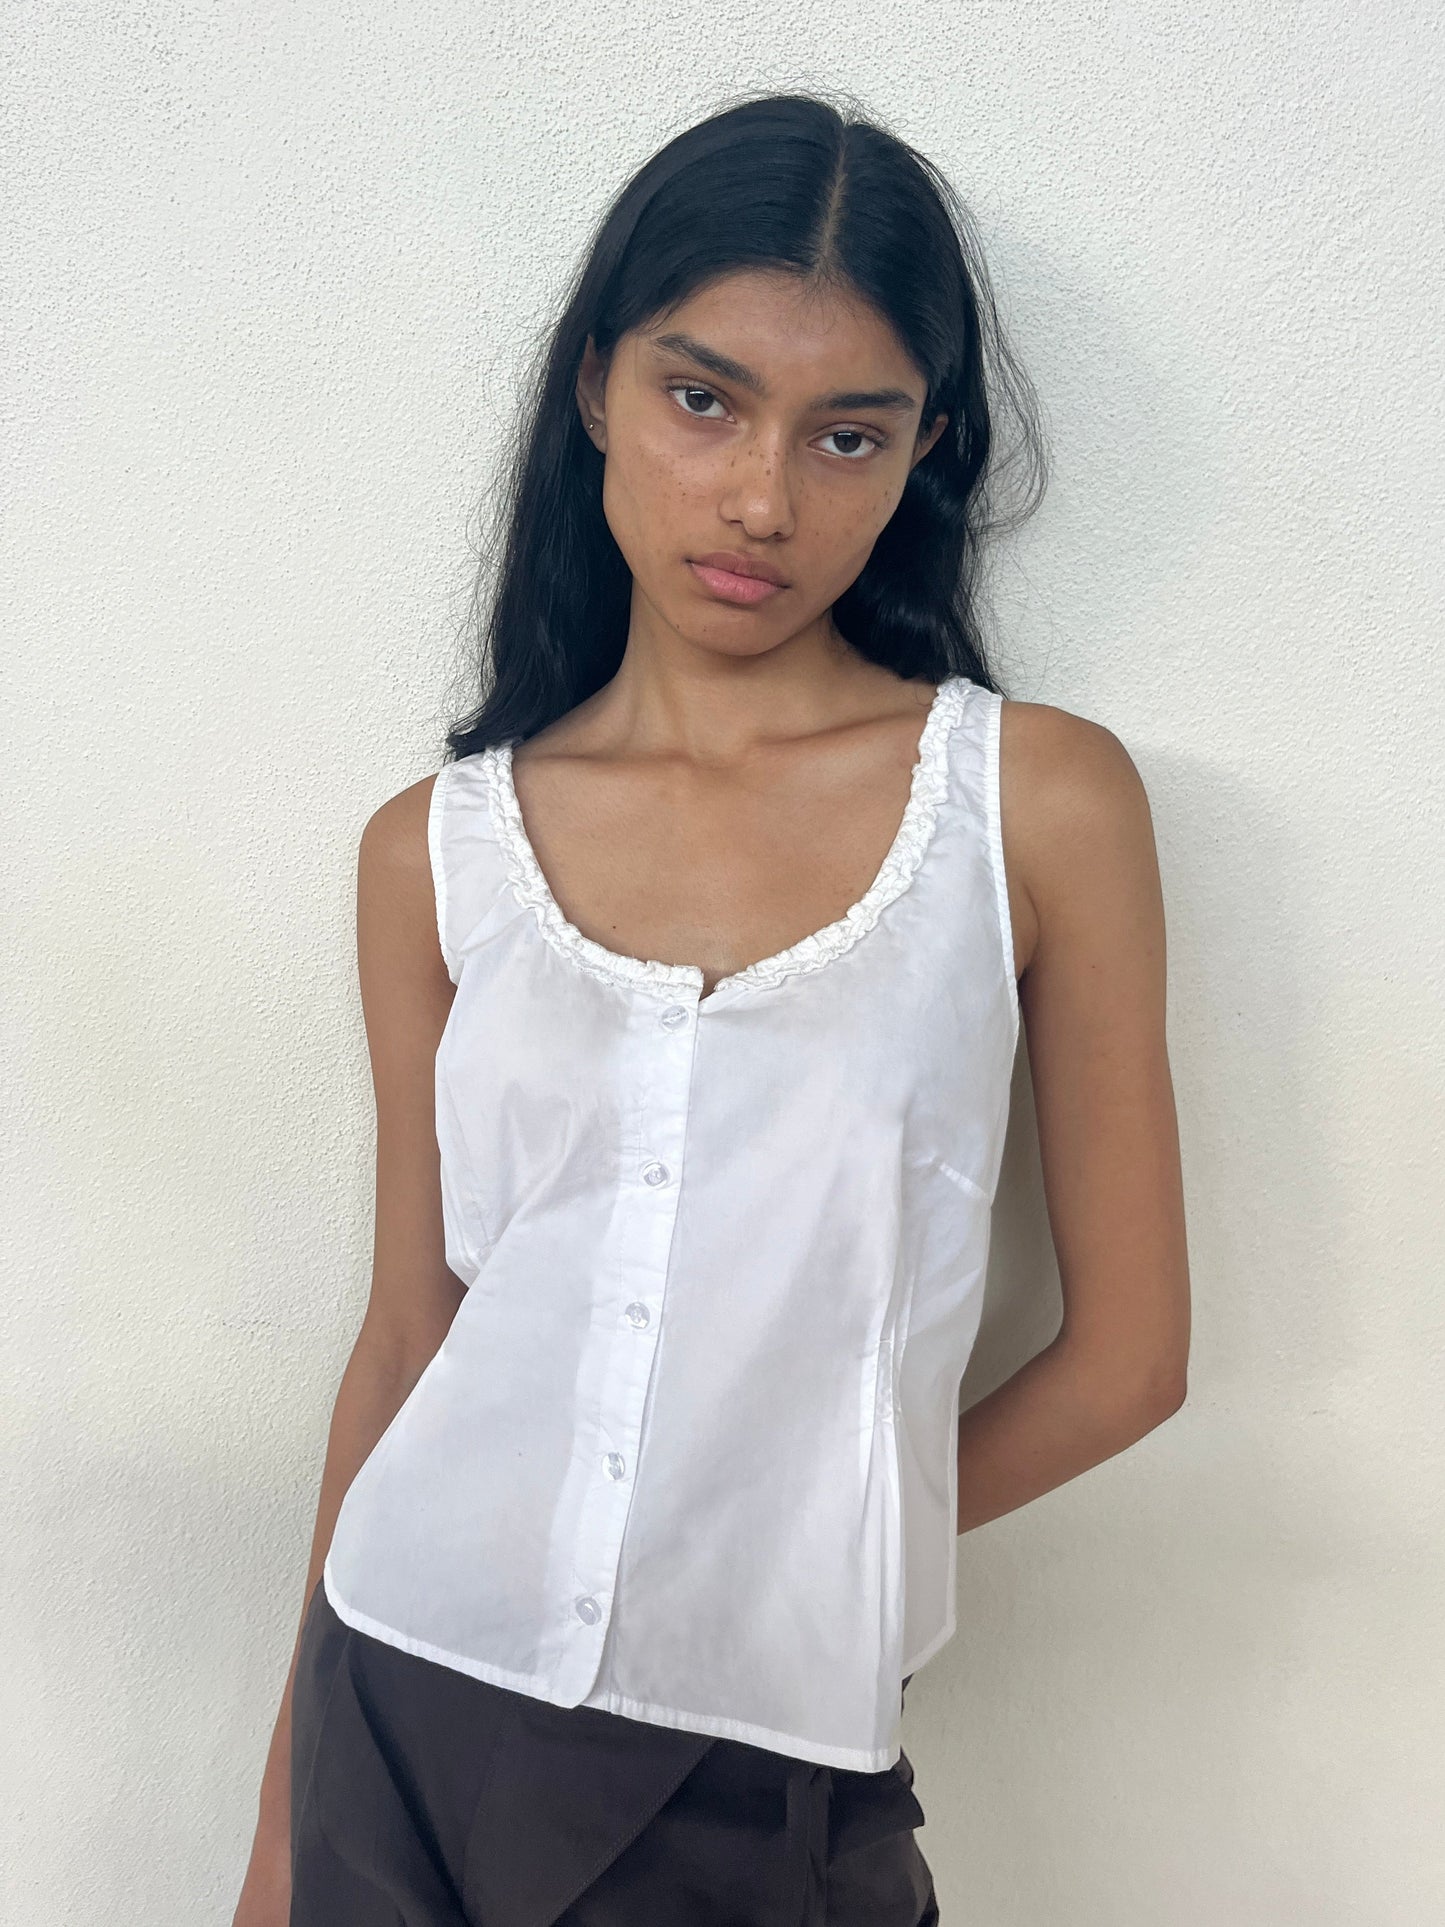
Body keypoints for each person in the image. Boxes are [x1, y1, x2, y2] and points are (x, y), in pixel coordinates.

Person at [233, 88, 1191, 1927]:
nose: (763, 498)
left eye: (850, 433)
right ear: (595, 388)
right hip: (398, 1684)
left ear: (923, 455)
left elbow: (1129, 1361)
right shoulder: (433, 852)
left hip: (759, 1772)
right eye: (702, 398)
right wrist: (283, 1827)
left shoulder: (1036, 809)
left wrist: (790, 1556)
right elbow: (411, 1333)